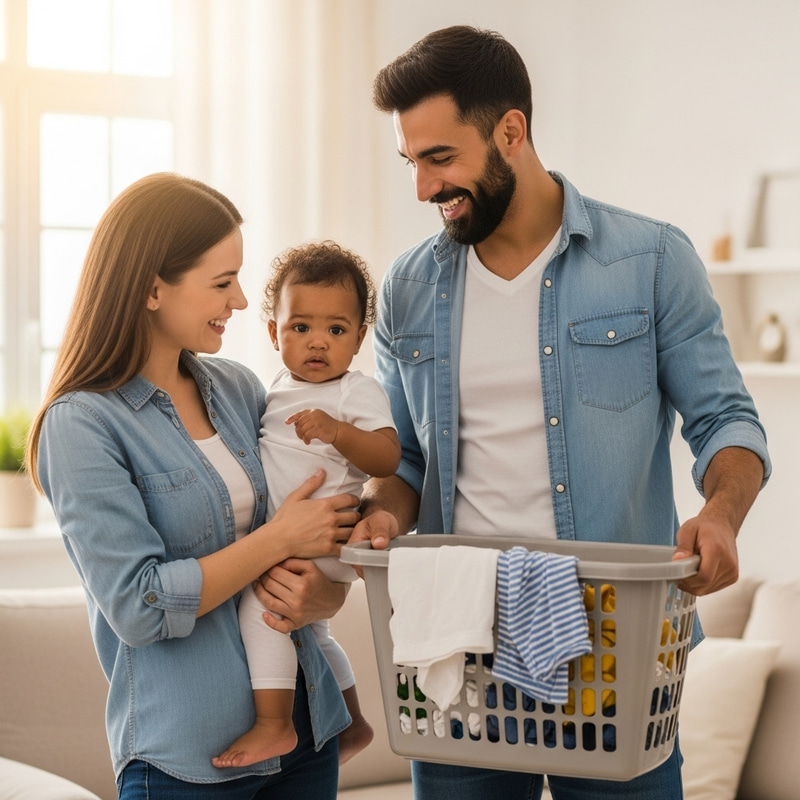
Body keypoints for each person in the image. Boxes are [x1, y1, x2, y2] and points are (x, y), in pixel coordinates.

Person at [351, 25, 772, 800]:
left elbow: (726, 420)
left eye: (441, 158)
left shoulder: (649, 261)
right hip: (457, 647)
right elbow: (403, 459)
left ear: (511, 131)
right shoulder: (406, 289)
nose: (422, 189)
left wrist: (721, 514)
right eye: (411, 162)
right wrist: (380, 512)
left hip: (618, 642)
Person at [26, 173, 360, 800]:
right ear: (153, 289)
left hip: (305, 730)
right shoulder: (82, 425)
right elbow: (138, 606)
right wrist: (277, 540)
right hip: (190, 759)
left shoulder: (239, 389)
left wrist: (324, 594)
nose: (238, 302)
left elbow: (315, 514)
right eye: (221, 282)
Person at [214, 241, 399, 769]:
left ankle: (273, 725)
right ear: (273, 332)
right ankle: (354, 722)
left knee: (263, 609)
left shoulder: (353, 392)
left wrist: (338, 432)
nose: (318, 342)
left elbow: (387, 457)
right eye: (300, 328)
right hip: (296, 534)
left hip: (327, 535)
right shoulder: (274, 388)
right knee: (313, 632)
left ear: (359, 338)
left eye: (337, 330)